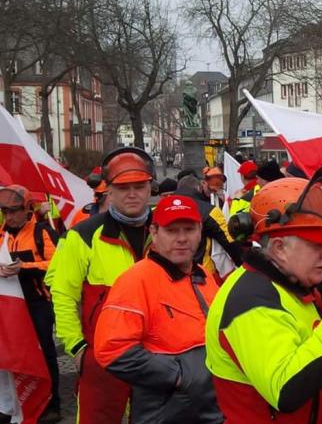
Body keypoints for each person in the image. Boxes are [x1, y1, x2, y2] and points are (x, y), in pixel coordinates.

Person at [204, 175, 322, 422]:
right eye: (317, 246)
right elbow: (288, 389)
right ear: (278, 248)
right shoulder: (250, 302)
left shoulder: (289, 285)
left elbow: (303, 350)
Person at [46, 147, 156, 424]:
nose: (132, 194)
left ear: (149, 188)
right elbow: (62, 292)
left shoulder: (166, 230)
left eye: (139, 186)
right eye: (123, 187)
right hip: (102, 358)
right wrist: (78, 349)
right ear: (110, 191)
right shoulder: (82, 235)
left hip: (159, 355)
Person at [92, 195, 222, 423]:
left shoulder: (202, 275)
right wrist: (181, 376)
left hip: (209, 406)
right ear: (154, 231)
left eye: (189, 229)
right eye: (172, 231)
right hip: (166, 411)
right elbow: (111, 350)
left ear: (200, 230)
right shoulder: (136, 280)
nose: (182, 239)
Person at [0, 185, 62, 421]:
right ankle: (15, 402)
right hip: (10, 307)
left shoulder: (42, 232)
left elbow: (56, 264)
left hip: (38, 304)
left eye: (13, 211)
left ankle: (52, 403)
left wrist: (23, 268)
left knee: (45, 352)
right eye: (5, 211)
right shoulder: (2, 234)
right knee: (14, 354)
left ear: (27, 210)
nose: (9, 216)